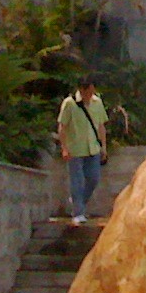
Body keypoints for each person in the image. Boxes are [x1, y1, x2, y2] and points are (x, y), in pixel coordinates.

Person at [58, 77, 108, 225]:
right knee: (77, 181)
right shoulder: (70, 103)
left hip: (93, 148)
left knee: (94, 179)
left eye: (93, 91)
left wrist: (103, 147)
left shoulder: (97, 103)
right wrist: (64, 148)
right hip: (75, 149)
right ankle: (78, 212)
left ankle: (77, 202)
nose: (91, 95)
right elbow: (62, 126)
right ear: (81, 90)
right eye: (89, 92)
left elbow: (101, 126)